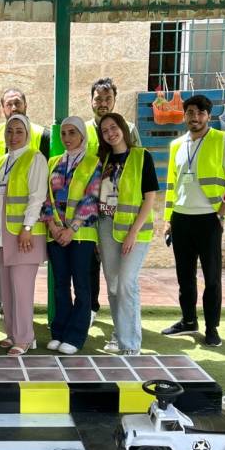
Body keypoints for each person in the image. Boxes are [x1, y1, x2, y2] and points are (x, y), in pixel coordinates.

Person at [162, 94, 225, 347]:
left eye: (200, 113)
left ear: (208, 116)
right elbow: (172, 185)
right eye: (190, 112)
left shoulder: (221, 140)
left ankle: (211, 328)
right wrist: (168, 219)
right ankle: (188, 321)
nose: (195, 117)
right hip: (181, 218)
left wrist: (222, 213)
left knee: (212, 278)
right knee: (185, 276)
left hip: (209, 219)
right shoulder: (176, 145)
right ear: (184, 115)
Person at [96, 112, 159, 355]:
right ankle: (119, 335)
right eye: (105, 131)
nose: (110, 133)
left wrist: (133, 232)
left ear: (123, 128)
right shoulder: (102, 160)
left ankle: (131, 345)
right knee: (113, 286)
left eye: (113, 127)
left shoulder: (142, 156)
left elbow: (150, 198)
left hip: (135, 231)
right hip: (106, 227)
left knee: (126, 283)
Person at [84, 77, 141, 331]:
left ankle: (125, 324)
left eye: (108, 99)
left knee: (122, 274)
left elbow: (138, 168)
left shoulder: (129, 129)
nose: (103, 103)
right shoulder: (84, 129)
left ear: (115, 100)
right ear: (91, 101)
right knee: (90, 264)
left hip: (121, 212)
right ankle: (91, 308)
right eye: (98, 99)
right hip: (90, 208)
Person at [42, 117, 101, 355]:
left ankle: (75, 337)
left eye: (72, 133)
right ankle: (59, 333)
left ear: (82, 135)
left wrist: (71, 229)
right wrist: (53, 226)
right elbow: (45, 196)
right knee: (60, 285)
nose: (67, 138)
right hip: (55, 234)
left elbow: (91, 198)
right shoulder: (53, 162)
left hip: (81, 235)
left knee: (82, 286)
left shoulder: (93, 162)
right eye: (64, 133)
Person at [0, 113, 48, 356]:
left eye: (19, 131)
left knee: (22, 289)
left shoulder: (35, 158)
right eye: (9, 131)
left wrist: (27, 228)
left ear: (27, 134)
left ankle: (25, 338)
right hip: (3, 235)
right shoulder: (2, 161)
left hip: (24, 236)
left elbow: (37, 197)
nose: (13, 136)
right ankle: (13, 333)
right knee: (7, 289)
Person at [0, 88, 49, 160]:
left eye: (17, 103)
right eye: (9, 104)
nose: (14, 108)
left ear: (25, 106)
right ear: (3, 109)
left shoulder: (43, 135)